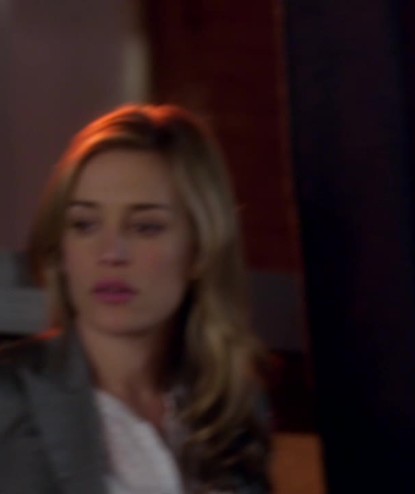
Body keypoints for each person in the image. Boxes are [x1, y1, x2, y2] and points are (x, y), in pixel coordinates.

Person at [0, 105, 272, 493]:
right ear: (61, 247)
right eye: (85, 224)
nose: (111, 253)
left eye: (146, 227)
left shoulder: (231, 411)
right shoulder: (12, 396)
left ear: (200, 248)